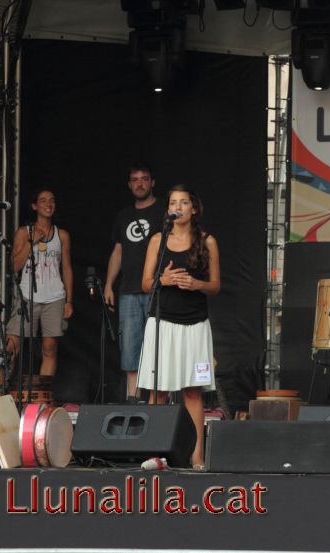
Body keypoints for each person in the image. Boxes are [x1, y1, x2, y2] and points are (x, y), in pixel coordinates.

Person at [137, 185, 220, 469]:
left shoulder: (207, 241)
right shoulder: (157, 240)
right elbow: (146, 284)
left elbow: (216, 285)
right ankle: (153, 453)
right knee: (158, 392)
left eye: (184, 202)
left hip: (195, 326)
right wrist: (165, 280)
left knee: (192, 393)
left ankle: (196, 457)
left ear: (194, 208)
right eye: (174, 202)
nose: (179, 206)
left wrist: (196, 284)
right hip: (162, 324)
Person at [104, 163, 161, 402]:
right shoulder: (124, 216)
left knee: (160, 347)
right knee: (130, 349)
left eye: (144, 179)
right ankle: (133, 401)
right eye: (135, 179)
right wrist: (108, 285)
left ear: (152, 183)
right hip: (128, 291)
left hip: (158, 290)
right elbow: (118, 250)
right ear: (129, 185)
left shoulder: (164, 213)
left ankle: (159, 402)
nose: (140, 183)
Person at [5, 189, 73, 377]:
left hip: (55, 297)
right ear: (35, 206)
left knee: (49, 347)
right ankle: (0, 390)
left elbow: (66, 268)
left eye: (51, 200)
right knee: (12, 344)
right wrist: (30, 242)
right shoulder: (23, 232)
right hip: (27, 296)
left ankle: (41, 397)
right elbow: (14, 266)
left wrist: (69, 300)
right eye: (43, 201)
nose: (48, 204)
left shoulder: (62, 235)